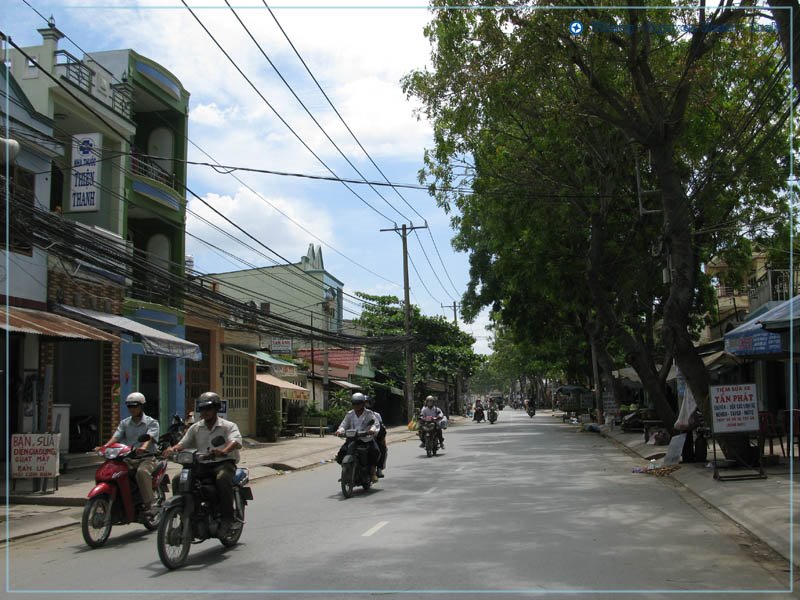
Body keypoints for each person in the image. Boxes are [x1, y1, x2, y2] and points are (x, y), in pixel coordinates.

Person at [163, 391, 242, 536]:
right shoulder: (196, 427)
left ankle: (227, 518)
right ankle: (184, 514)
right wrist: (172, 449)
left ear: (216, 409)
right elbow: (184, 443)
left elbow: (235, 441)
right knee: (178, 479)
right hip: (202, 464)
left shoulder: (228, 426)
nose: (205, 412)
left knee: (222, 479)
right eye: (202, 409)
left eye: (209, 408)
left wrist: (224, 450)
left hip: (223, 463)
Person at [95, 392, 160, 515]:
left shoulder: (152, 422)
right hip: (127, 458)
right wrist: (104, 447)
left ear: (141, 406)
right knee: (113, 472)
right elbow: (116, 437)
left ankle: (149, 504)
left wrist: (143, 447)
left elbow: (149, 438)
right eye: (130, 406)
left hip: (146, 458)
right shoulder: (125, 423)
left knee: (142, 472)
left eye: (135, 406)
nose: (132, 409)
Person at [335, 392, 380, 483]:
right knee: (341, 453)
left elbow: (375, 424)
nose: (356, 406)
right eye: (354, 403)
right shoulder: (349, 414)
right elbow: (344, 425)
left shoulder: (369, 414)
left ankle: (372, 473)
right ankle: (346, 472)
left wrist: (372, 430)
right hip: (352, 439)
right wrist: (340, 431)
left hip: (366, 439)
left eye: (358, 403)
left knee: (375, 452)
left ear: (363, 403)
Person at [365, 395, 387, 478]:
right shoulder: (353, 414)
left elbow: (381, 428)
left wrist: (381, 437)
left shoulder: (376, 415)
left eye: (367, 403)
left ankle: (378, 469)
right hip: (358, 437)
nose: (365, 406)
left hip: (372, 437)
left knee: (381, 449)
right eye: (363, 403)